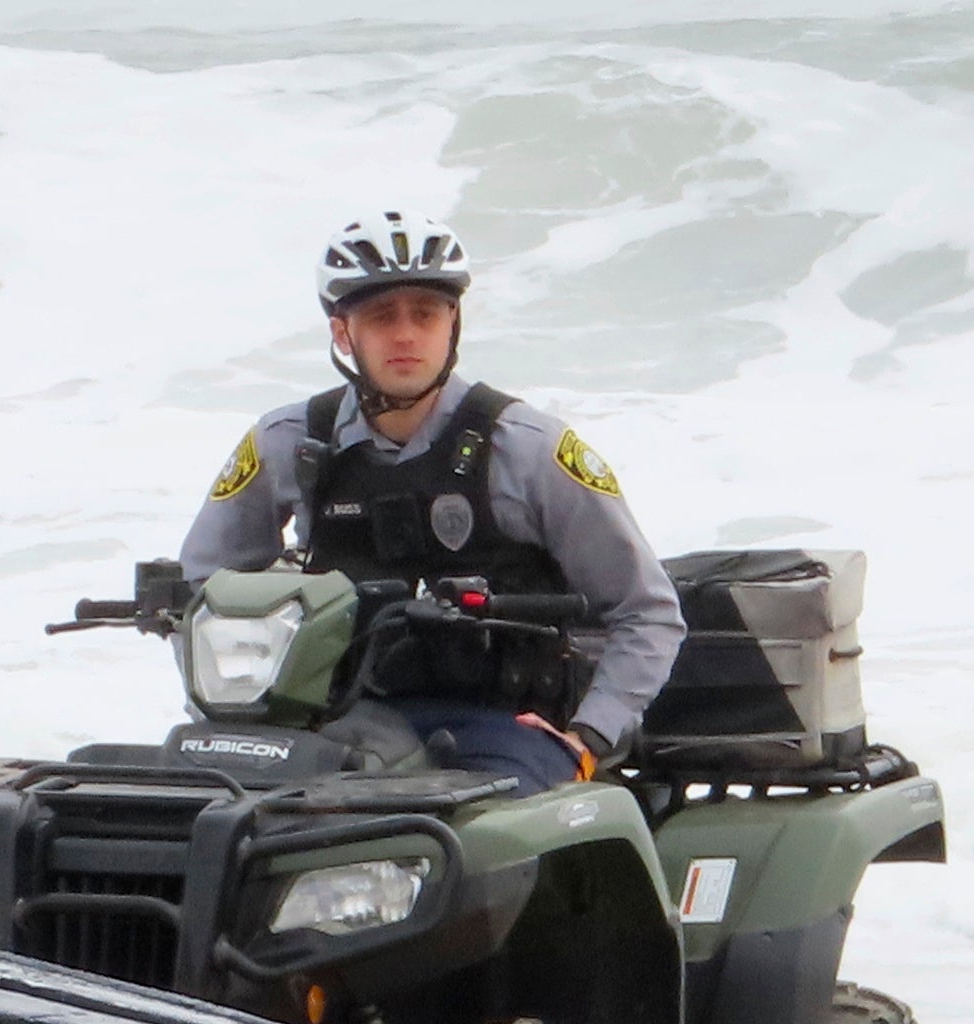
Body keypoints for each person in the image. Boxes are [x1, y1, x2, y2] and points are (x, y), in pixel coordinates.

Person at [178, 210, 684, 790]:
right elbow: (202, 589)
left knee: (488, 846)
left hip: (505, 729)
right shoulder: (288, 442)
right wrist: (234, 706)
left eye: (425, 313)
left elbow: (647, 612)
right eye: (381, 316)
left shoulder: (528, 450)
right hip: (341, 720)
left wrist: (589, 736)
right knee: (211, 809)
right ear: (343, 332)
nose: (406, 334)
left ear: (453, 323)